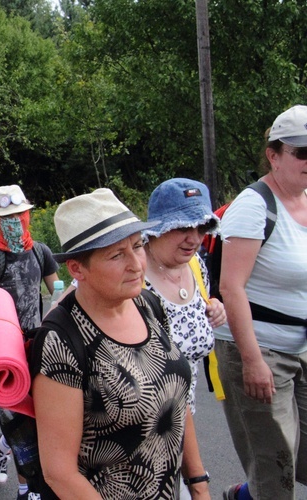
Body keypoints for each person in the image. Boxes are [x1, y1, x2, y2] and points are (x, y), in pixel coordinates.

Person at [31, 188, 195, 499]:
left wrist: (198, 482)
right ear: (78, 269)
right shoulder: (62, 339)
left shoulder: (148, 306)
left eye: (137, 246)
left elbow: (176, 398)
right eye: (117, 255)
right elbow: (59, 473)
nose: (136, 264)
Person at [215, 105, 307, 500]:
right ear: (274, 154)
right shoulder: (254, 206)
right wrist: (252, 361)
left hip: (301, 347)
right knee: (276, 466)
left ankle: (245, 495)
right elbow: (231, 288)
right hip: (258, 349)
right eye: (301, 153)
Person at [144, 178, 227, 498]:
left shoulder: (194, 265)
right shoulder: (131, 276)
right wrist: (200, 483)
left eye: (202, 226)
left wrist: (213, 307)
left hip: (182, 421)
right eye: (183, 227)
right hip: (139, 432)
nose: (194, 237)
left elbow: (197, 311)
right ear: (156, 228)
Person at [0, 185, 58, 500]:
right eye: (6, 217)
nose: (14, 222)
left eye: (19, 215)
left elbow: (59, 293)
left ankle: (4, 444)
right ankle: (26, 489)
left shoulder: (40, 252)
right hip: (4, 349)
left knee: (39, 414)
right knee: (16, 418)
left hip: (37, 343)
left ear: (28, 216)